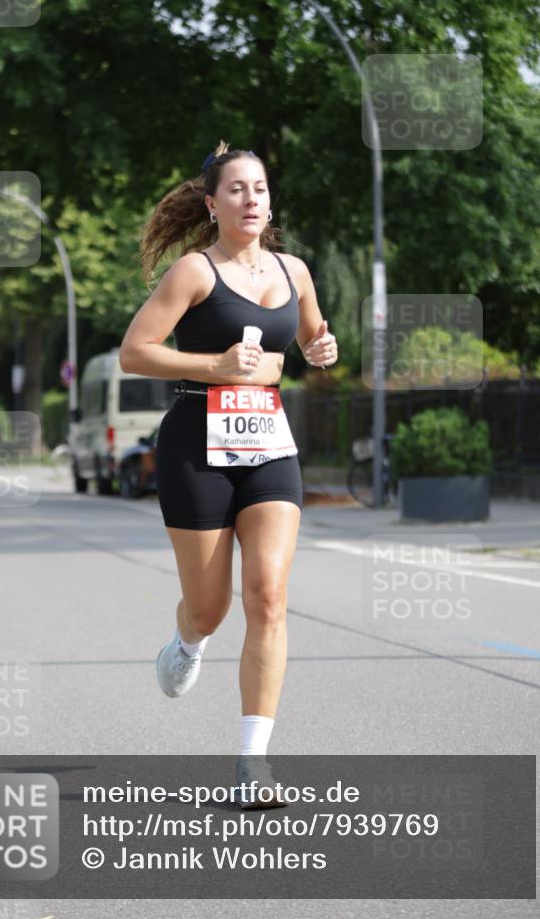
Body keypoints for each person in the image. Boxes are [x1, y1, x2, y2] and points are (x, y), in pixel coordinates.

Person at [119, 141, 338, 807]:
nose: (250, 200)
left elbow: (308, 338)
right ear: (211, 204)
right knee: (212, 608)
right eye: (236, 190)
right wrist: (213, 366)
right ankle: (188, 638)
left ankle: (252, 760)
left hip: (267, 442)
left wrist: (321, 348)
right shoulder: (193, 271)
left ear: (270, 202)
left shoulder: (294, 270)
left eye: (260, 189)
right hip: (195, 441)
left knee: (267, 596)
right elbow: (135, 352)